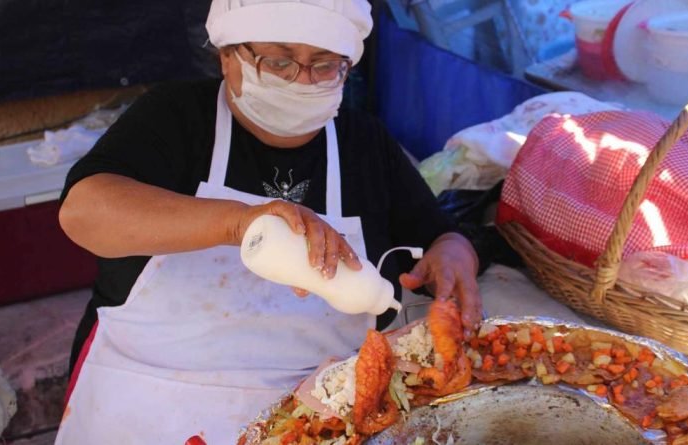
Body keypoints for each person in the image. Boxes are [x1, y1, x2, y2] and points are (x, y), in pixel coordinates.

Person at [55, 0, 481, 442]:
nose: (300, 79)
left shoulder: (363, 143)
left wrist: (451, 252)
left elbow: (438, 233)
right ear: (227, 56)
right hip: (151, 396)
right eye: (278, 61)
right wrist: (239, 223)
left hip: (324, 405)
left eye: (323, 65)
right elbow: (83, 212)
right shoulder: (175, 116)